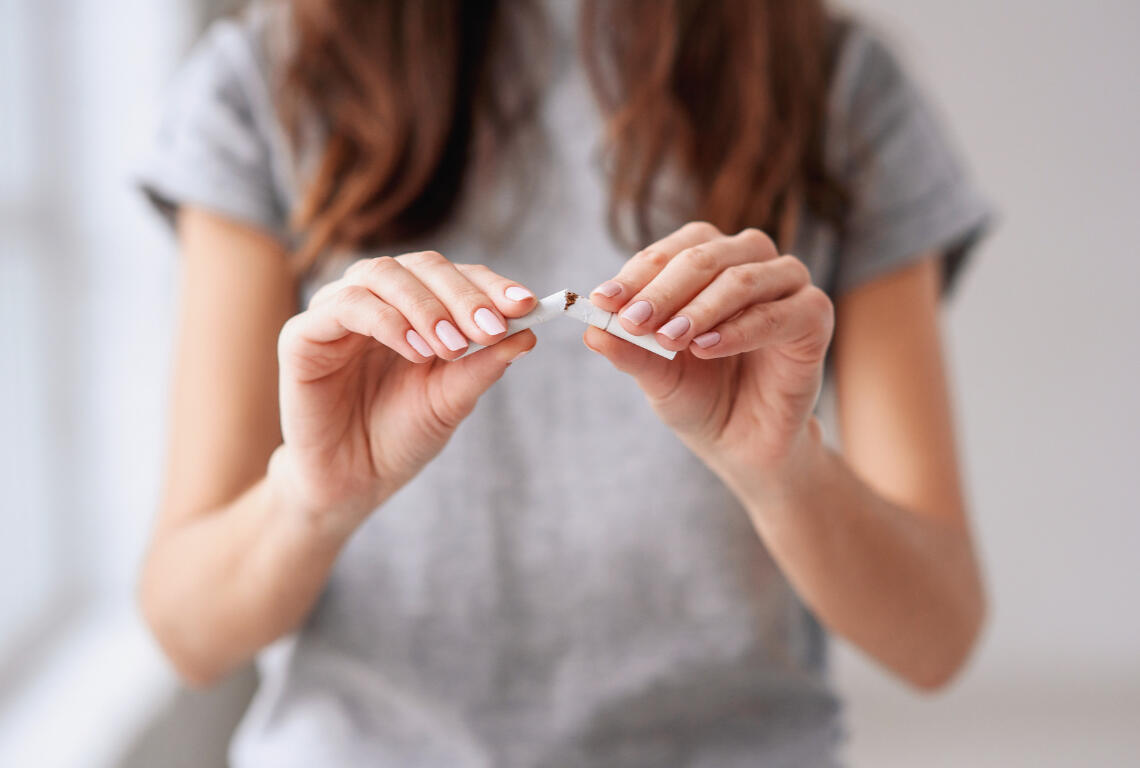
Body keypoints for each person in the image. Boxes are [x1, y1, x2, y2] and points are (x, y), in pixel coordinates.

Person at [138, 0, 991, 765]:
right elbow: (189, 632)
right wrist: (313, 500)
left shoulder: (838, 84)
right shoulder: (268, 77)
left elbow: (937, 635)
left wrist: (784, 472)